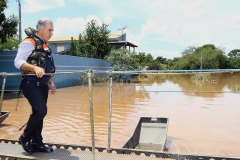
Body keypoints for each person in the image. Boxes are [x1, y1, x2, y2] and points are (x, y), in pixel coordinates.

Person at [14, 18, 56, 154]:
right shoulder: (29, 42)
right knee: (41, 110)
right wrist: (33, 67)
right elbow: (18, 61)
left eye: (52, 30)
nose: (52, 33)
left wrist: (50, 82)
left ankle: (37, 142)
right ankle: (25, 137)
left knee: (39, 113)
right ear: (41, 29)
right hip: (30, 84)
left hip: (43, 85)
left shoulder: (45, 45)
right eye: (50, 30)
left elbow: (46, 65)